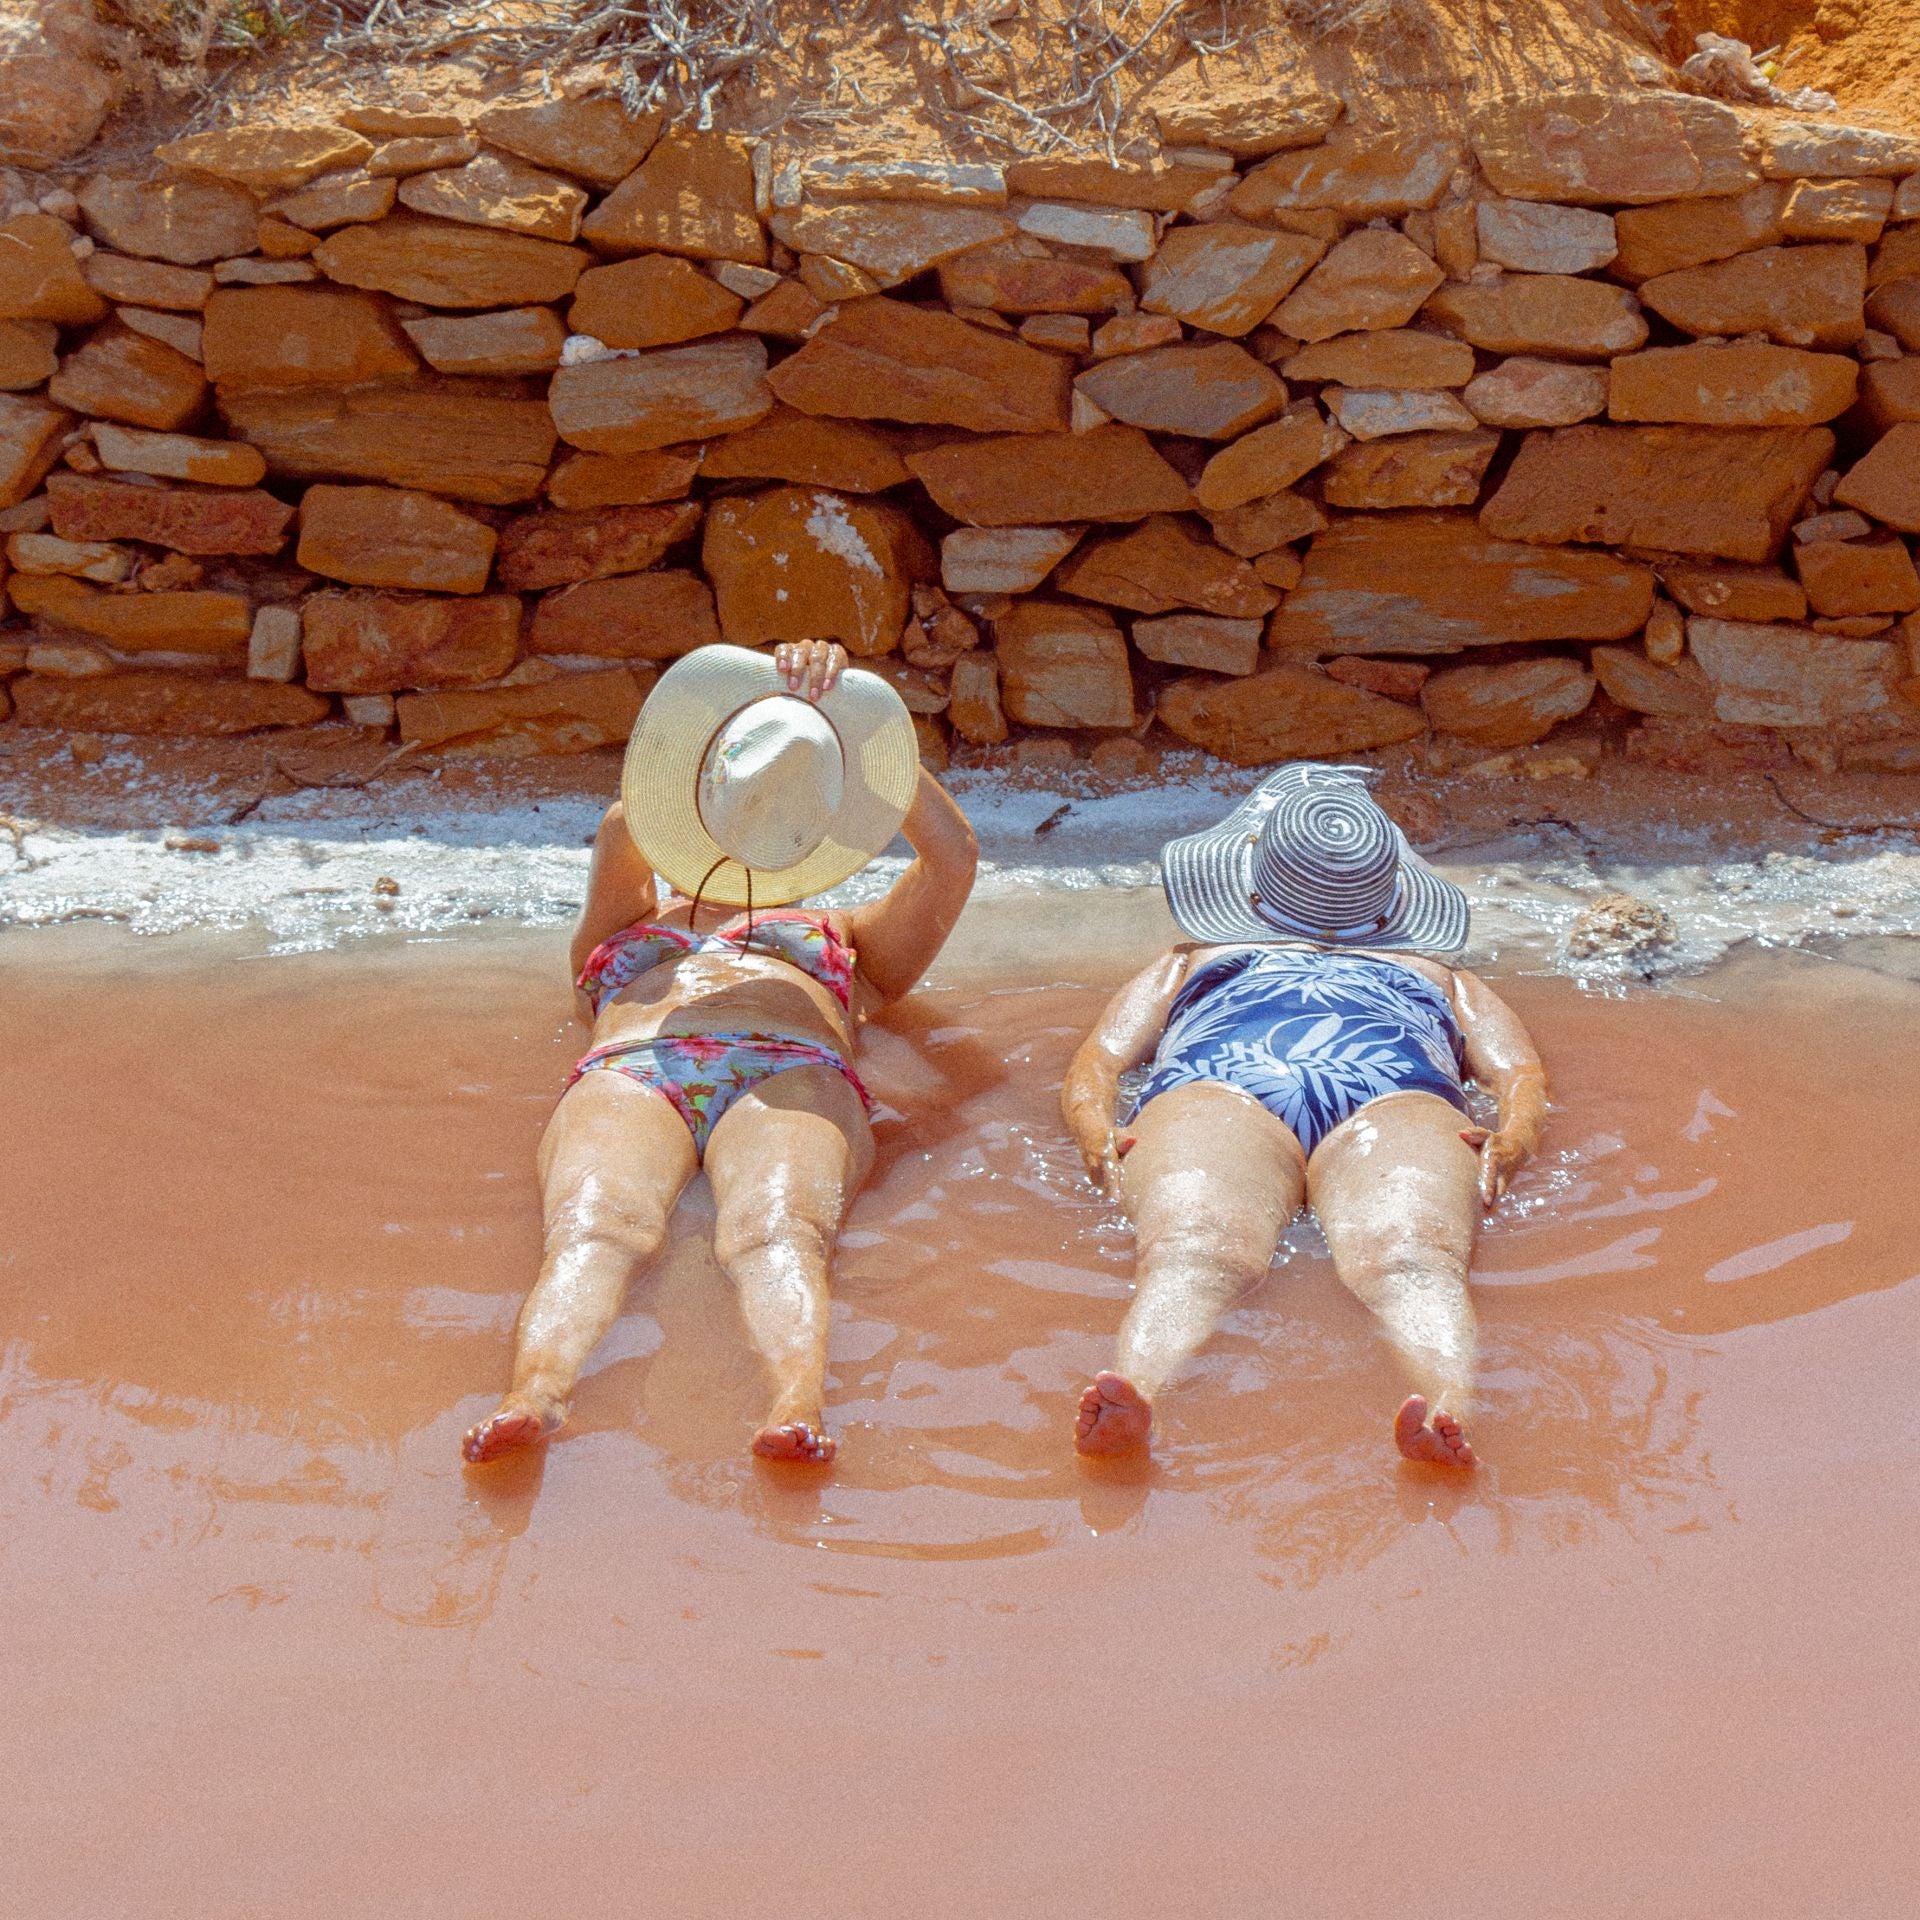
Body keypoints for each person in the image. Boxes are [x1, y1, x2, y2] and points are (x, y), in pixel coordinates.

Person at [463, 639, 977, 1467]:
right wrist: (796, 707)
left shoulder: (846, 938)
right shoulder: (629, 919)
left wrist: (859, 732)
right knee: (595, 1229)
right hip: (633, 1067)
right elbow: (630, 818)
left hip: (790, 1066)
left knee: (777, 1233)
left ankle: (795, 1404)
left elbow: (950, 857)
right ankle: (536, 1394)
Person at [1060, 762, 1545, 1468]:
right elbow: (1519, 1074)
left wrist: (1094, 1131)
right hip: (1389, 1091)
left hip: (1223, 1082)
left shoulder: (1197, 957)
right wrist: (1516, 1134)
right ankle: (1136, 1396)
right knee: (1401, 1259)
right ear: (1391, 903)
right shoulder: (1439, 974)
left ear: (1251, 887)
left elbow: (1100, 1061)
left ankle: (1441, 1413)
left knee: (1208, 1251)